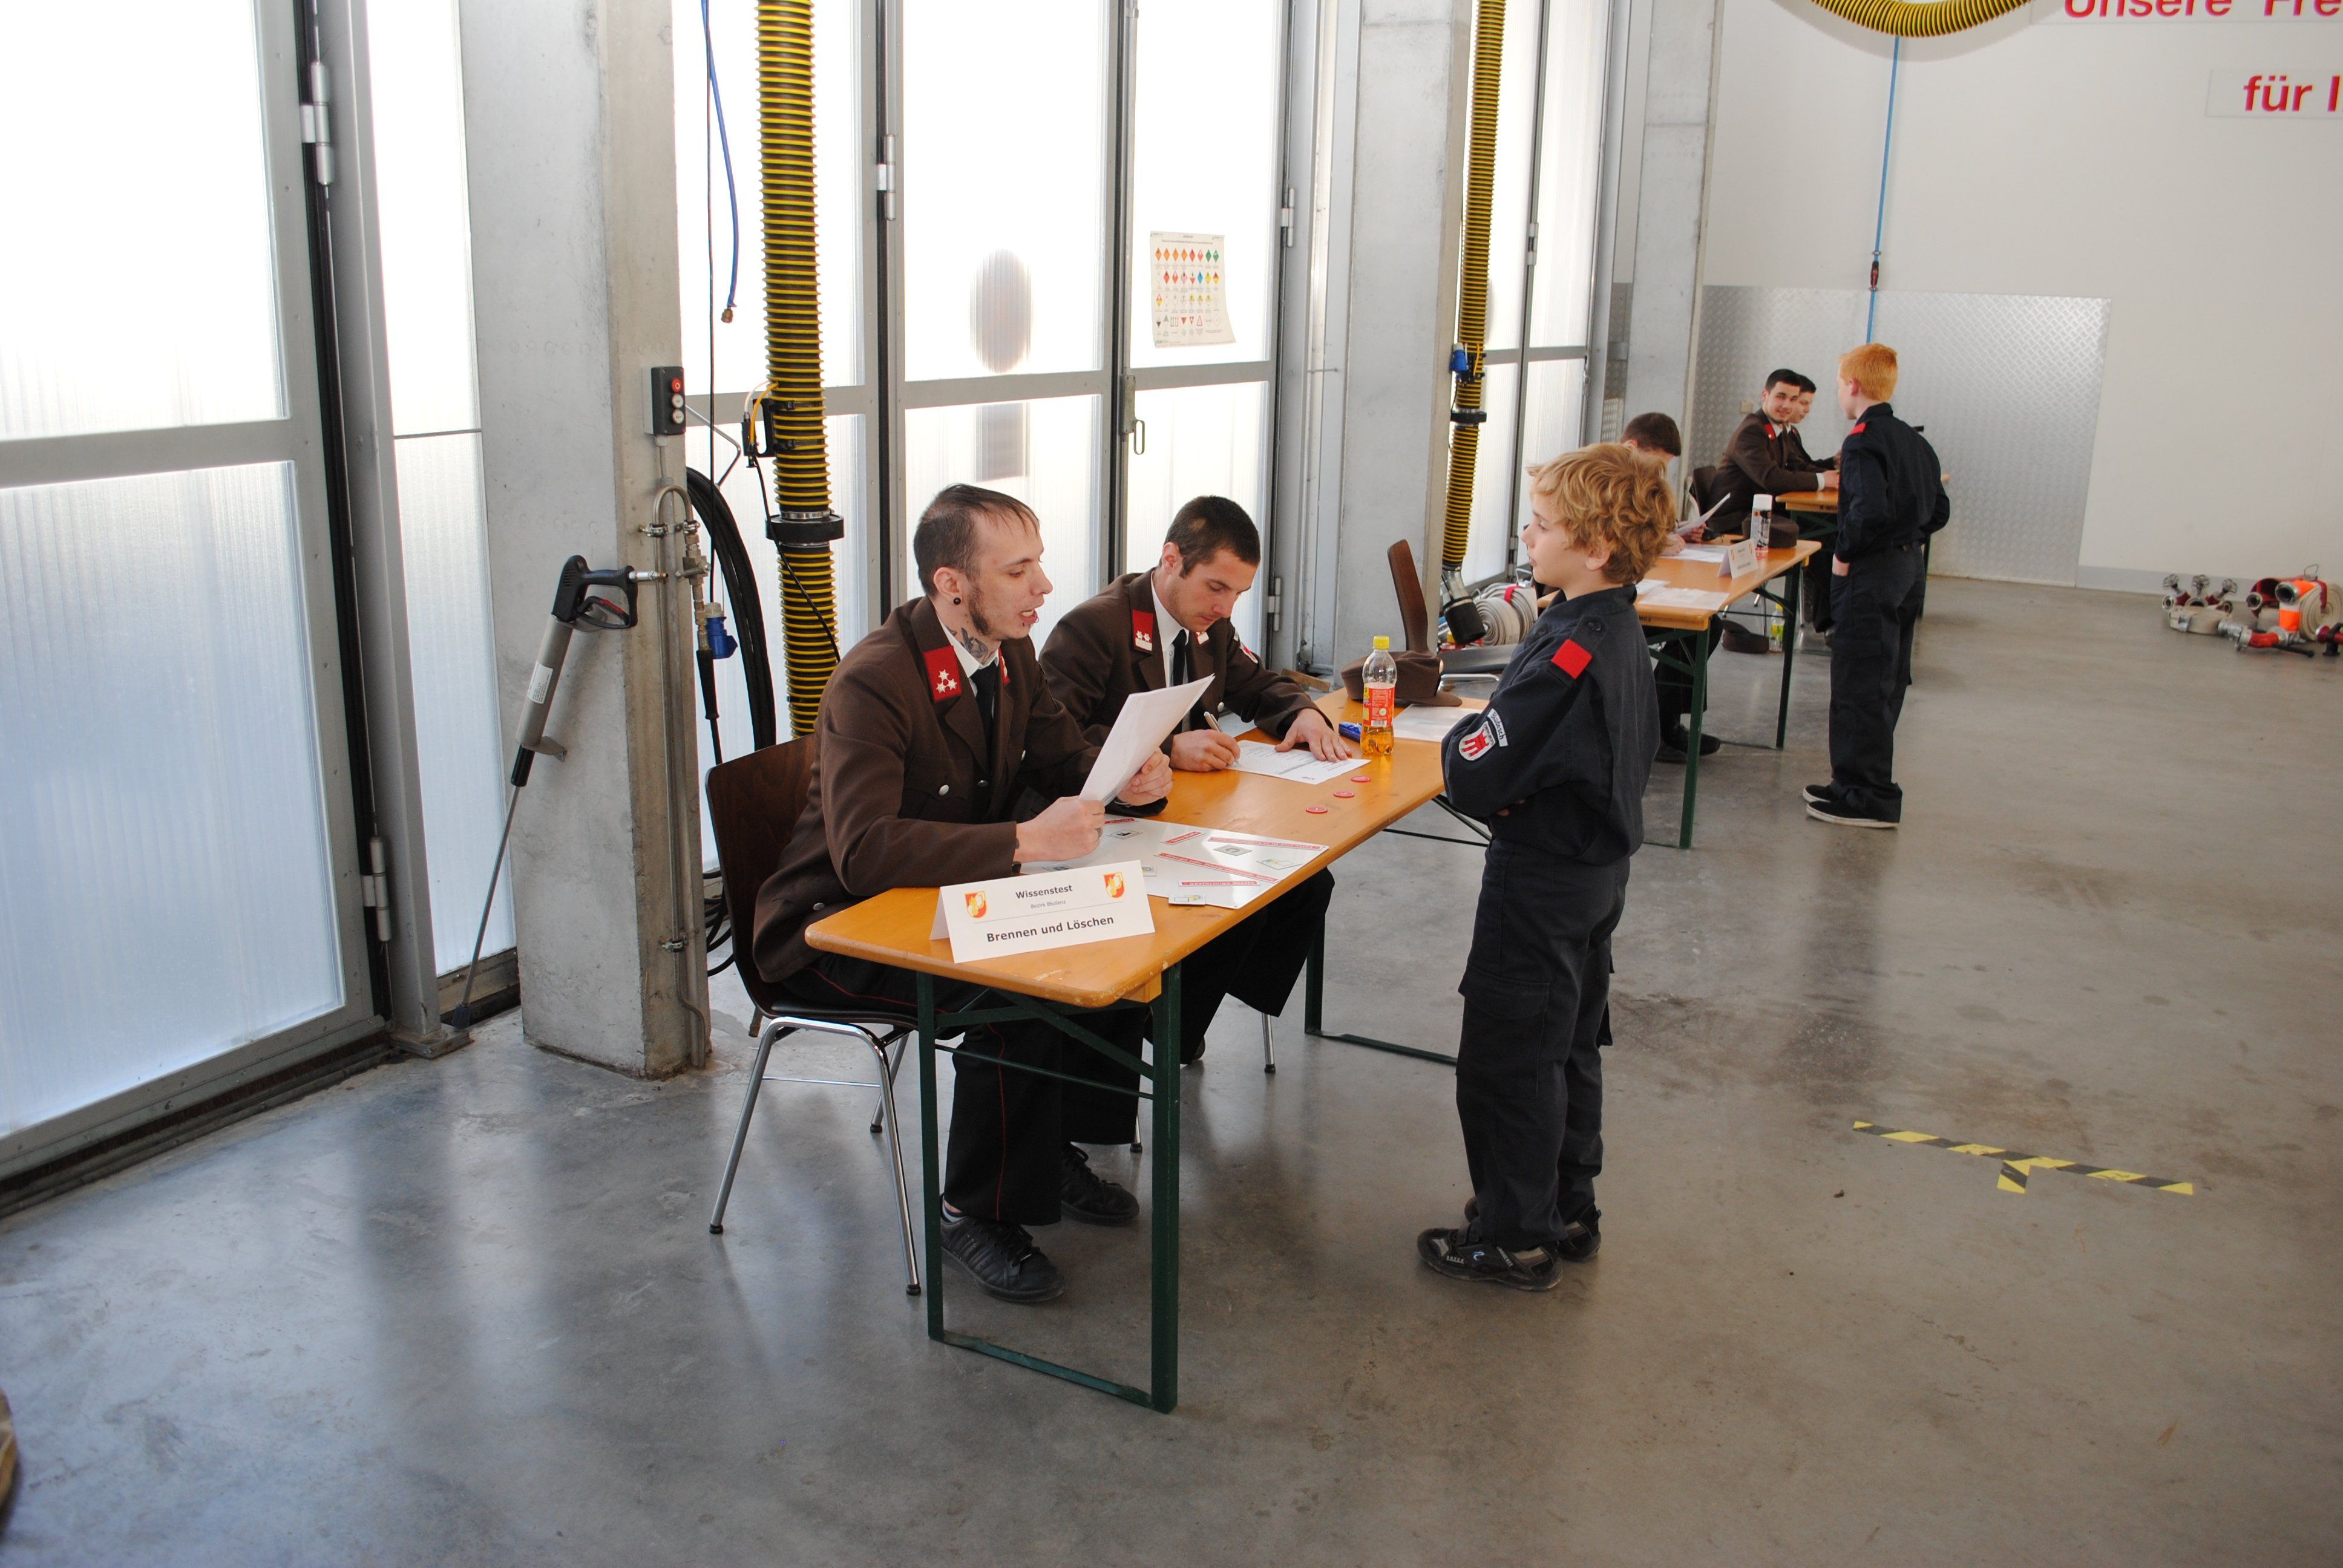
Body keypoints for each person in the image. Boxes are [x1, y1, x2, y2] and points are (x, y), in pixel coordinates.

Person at [750, 484, 1176, 1305]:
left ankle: (1047, 1148)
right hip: (832, 930)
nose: (1043, 586)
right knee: (1015, 995)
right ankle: (971, 1212)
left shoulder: (1008, 649)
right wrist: (1024, 841)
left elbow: (1061, 757)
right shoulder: (876, 680)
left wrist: (1126, 779)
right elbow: (865, 851)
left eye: (1038, 563)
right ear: (952, 585)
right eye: (1017, 571)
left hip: (943, 898)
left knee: (1109, 948)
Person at [1417, 444, 1669, 1291]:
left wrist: (1469, 740)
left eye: (1542, 524)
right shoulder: (1616, 628)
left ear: (1595, 548)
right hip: (1595, 872)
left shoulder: (1569, 653)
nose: (1528, 535)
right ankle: (1563, 1206)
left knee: (1510, 1056)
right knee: (1566, 1042)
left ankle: (1511, 1234)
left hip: (1541, 880)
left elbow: (1474, 770)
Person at [1041, 495, 1344, 1063]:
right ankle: (1165, 1023)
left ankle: (1179, 1014)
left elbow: (1258, 684)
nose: (1225, 607)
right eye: (1216, 587)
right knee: (1235, 899)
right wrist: (1166, 749)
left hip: (1182, 816)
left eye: (1238, 594)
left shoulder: (1209, 626)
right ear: (1171, 559)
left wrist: (1301, 713)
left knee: (1305, 885)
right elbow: (1052, 737)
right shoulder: (1095, 627)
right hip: (1112, 822)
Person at [1804, 344, 1948, 830]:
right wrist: (1907, 538)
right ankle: (1851, 782)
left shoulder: (1863, 441)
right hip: (1908, 570)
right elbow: (1940, 511)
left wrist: (1843, 557)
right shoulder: (1913, 440)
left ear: (1852, 386)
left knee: (1858, 681)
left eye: (1839, 386)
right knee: (1886, 679)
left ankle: (1868, 797)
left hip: (1872, 573)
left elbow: (1867, 512)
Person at [1709, 369, 1841, 649]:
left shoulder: (1777, 430)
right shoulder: (1752, 432)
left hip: (1761, 516)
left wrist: (1829, 473)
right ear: (1765, 395)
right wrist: (1822, 480)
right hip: (1737, 523)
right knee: (1822, 536)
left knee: (1827, 532)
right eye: (1781, 397)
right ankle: (1834, 622)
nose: (1787, 405)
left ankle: (1833, 619)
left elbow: (1797, 466)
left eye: (1793, 399)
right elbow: (1771, 478)